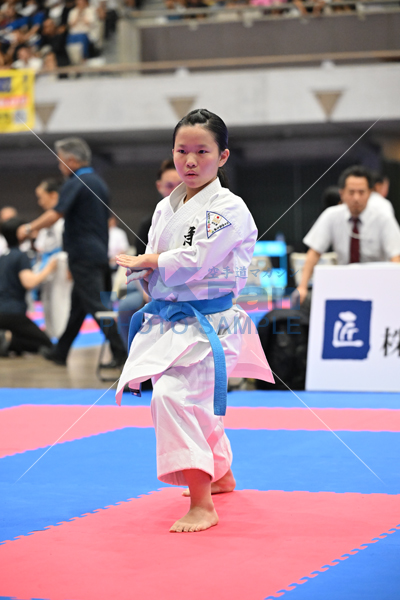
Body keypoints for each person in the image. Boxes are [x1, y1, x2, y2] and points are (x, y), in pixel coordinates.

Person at [115, 109, 273, 533]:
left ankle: (203, 505)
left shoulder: (229, 207)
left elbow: (198, 259)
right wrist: (142, 272)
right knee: (196, 403)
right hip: (172, 321)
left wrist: (151, 261)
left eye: (202, 151)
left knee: (173, 397)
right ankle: (221, 475)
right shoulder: (166, 207)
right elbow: (154, 262)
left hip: (212, 323)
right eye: (182, 150)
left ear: (222, 156)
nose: (189, 160)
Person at [18, 137, 126, 367]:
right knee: (79, 307)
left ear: (71, 160)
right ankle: (61, 352)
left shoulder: (77, 181)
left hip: (83, 255)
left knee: (96, 306)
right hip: (97, 252)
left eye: (60, 161)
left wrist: (28, 228)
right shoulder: (98, 182)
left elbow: (56, 213)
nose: (60, 166)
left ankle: (121, 353)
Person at [296, 165, 400, 304]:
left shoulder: (384, 218)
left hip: (377, 285)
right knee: (307, 302)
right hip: (344, 284)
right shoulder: (331, 215)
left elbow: (396, 258)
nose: (356, 198)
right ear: (342, 193)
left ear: (370, 193)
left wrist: (394, 289)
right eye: (351, 192)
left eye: (361, 192)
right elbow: (314, 253)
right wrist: (302, 287)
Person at [0, 218, 56, 357]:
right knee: (47, 344)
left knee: (27, 337)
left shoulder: (3, 257)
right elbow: (29, 282)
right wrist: (50, 267)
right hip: (13, 313)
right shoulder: (20, 256)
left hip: (4, 311)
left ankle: (7, 341)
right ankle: (7, 342)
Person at [34, 178, 72, 339]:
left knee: (59, 302)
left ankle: (61, 337)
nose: (40, 202)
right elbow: (41, 246)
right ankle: (50, 338)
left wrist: (69, 268)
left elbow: (69, 246)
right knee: (47, 302)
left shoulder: (64, 221)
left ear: (53, 195)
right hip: (46, 265)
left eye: (41, 197)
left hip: (61, 264)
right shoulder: (45, 223)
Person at [135, 158, 182, 257]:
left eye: (180, 185)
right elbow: (141, 261)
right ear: (159, 187)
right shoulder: (148, 224)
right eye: (169, 186)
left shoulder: (200, 217)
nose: (175, 191)